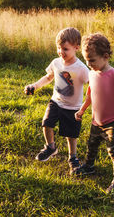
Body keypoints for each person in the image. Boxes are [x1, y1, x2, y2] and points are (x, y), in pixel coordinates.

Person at [24, 27, 89, 174]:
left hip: (73, 108)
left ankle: (73, 158)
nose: (61, 52)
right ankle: (50, 147)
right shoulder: (56, 62)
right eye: (58, 48)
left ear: (76, 48)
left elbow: (92, 84)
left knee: (71, 135)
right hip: (56, 102)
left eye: (65, 49)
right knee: (46, 123)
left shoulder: (81, 68)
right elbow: (48, 77)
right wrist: (35, 85)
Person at [74, 33, 114, 193]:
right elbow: (90, 94)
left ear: (105, 56)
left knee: (113, 150)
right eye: (86, 60)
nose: (88, 63)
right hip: (96, 121)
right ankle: (89, 166)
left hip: (112, 122)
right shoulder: (92, 73)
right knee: (91, 145)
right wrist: (82, 109)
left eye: (92, 60)